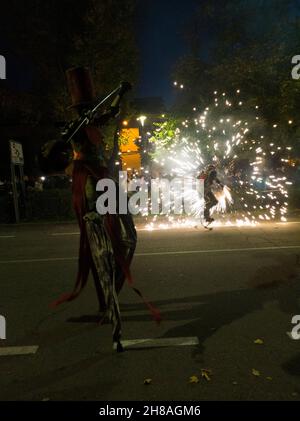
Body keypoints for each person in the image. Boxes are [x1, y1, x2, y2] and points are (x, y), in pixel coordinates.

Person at [40, 67, 159, 352]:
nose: (88, 110)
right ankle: (112, 312)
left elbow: (112, 114)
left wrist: (119, 93)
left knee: (130, 238)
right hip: (90, 179)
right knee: (102, 250)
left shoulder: (94, 121)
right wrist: (66, 138)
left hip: (106, 177)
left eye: (89, 105)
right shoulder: (74, 128)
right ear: (77, 107)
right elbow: (55, 152)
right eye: (83, 107)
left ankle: (112, 292)